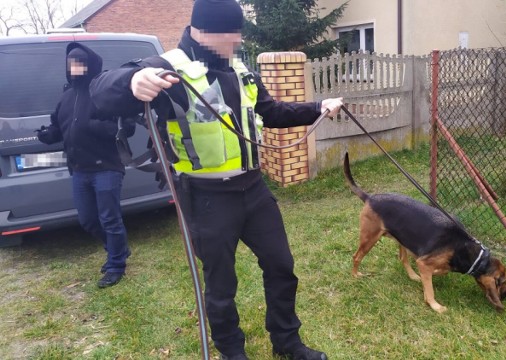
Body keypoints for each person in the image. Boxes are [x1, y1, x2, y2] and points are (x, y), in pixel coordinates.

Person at [89, 0, 342, 358]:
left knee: (281, 265)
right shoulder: (166, 69)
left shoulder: (239, 69)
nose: (238, 41)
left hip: (253, 189)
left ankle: (287, 341)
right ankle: (231, 351)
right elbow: (99, 91)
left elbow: (271, 112)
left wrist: (318, 107)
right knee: (221, 284)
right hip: (206, 198)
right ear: (201, 32)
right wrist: (132, 80)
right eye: (231, 33)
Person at [37, 42, 133, 288]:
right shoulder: (66, 96)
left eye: (80, 62)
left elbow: (125, 128)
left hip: (107, 167)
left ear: (90, 65)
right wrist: (48, 134)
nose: (75, 67)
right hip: (79, 169)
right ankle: (118, 249)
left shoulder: (104, 92)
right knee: (88, 220)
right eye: (71, 63)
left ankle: (116, 264)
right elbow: (59, 128)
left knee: (110, 219)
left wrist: (92, 125)